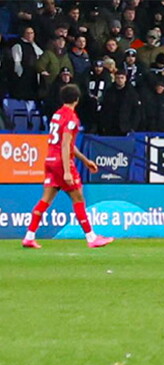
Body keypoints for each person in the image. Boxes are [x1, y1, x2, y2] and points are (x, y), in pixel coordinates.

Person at [22, 85, 114, 249]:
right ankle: (91, 237)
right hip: (60, 162)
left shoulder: (57, 115)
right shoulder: (71, 118)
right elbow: (65, 145)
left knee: (45, 200)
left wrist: (85, 160)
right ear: (77, 100)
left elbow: (67, 144)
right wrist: (66, 171)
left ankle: (29, 236)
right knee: (78, 198)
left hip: (50, 160)